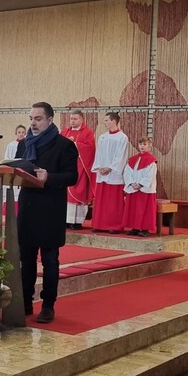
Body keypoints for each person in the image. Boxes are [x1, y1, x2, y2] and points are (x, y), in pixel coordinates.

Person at [17, 102, 78, 323]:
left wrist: (49, 177)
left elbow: (73, 177)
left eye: (38, 119)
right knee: (26, 259)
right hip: (28, 207)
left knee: (50, 259)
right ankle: (25, 301)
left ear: (50, 120)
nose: (33, 123)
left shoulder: (64, 145)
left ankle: (48, 305)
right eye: (31, 118)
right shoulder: (24, 144)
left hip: (50, 209)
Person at [91, 112, 129, 232]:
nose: (105, 123)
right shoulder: (102, 137)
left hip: (114, 174)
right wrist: (99, 167)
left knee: (113, 202)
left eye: (107, 120)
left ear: (114, 121)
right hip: (102, 173)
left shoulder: (122, 137)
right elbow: (98, 154)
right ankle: (99, 225)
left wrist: (110, 168)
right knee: (101, 201)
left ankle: (114, 226)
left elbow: (121, 156)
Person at [61, 109, 96, 228]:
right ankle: (66, 220)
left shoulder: (87, 132)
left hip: (81, 167)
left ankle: (77, 222)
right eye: (71, 119)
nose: (72, 121)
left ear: (81, 119)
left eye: (75, 119)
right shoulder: (65, 132)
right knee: (66, 195)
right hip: (66, 167)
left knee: (79, 193)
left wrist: (74, 143)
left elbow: (90, 148)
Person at [122, 137, 157, 236]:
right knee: (134, 209)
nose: (142, 146)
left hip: (145, 189)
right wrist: (131, 183)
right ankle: (135, 228)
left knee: (145, 210)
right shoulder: (133, 159)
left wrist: (140, 184)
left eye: (145, 144)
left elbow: (150, 175)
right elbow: (127, 172)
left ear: (149, 146)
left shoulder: (151, 161)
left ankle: (145, 229)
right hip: (134, 188)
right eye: (141, 144)